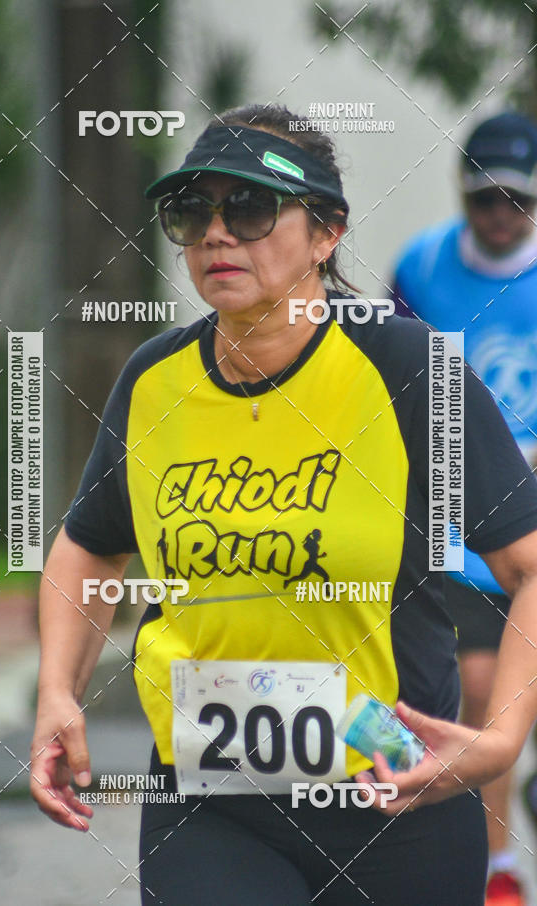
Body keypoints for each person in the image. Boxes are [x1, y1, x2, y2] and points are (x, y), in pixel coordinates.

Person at [30, 103, 537, 906]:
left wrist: (501, 739)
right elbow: (89, 544)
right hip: (208, 796)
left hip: (396, 789)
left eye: (253, 207)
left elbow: (529, 565)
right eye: (192, 211)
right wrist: (58, 689)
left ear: (327, 232)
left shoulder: (409, 370)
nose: (218, 234)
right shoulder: (154, 382)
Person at [392, 111, 537, 906]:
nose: (501, 214)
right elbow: (388, 377)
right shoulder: (418, 269)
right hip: (463, 527)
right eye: (485, 200)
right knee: (481, 688)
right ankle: (500, 866)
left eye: (516, 199)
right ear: (462, 194)